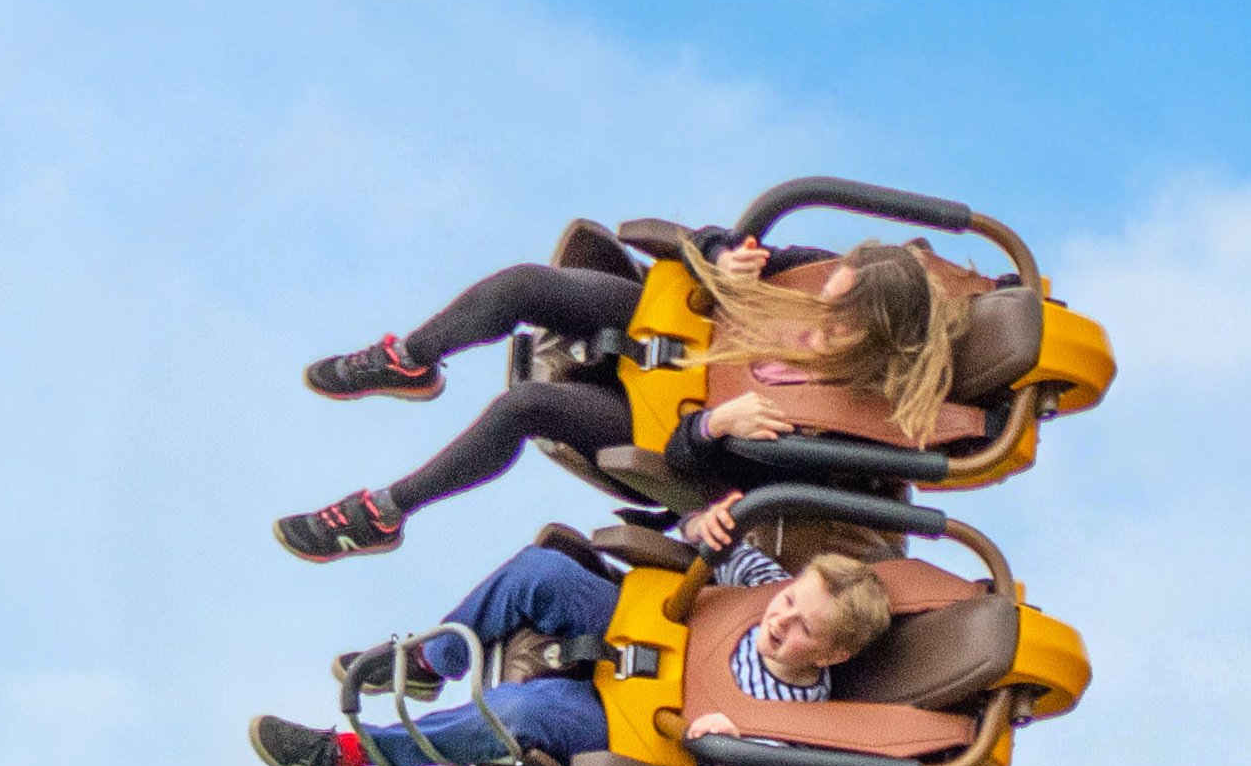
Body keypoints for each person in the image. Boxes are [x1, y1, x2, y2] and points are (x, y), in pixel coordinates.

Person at [279, 237, 981, 555]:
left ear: (871, 347)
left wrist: (715, 425)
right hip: (670, 330)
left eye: (834, 330)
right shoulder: (812, 274)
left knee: (522, 409)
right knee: (524, 284)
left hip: (667, 424)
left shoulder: (826, 423)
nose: (813, 326)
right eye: (823, 302)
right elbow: (713, 244)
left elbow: (702, 471)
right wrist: (724, 254)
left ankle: (383, 514)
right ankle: (412, 360)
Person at [245, 528, 1008, 766]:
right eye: (785, 604)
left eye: (801, 629)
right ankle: (435, 657)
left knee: (522, 713)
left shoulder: (792, 727)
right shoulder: (764, 593)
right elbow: (726, 554)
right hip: (636, 630)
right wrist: (707, 528)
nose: (779, 622)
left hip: (631, 721)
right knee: (541, 571)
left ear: (836, 653)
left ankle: (351, 756)